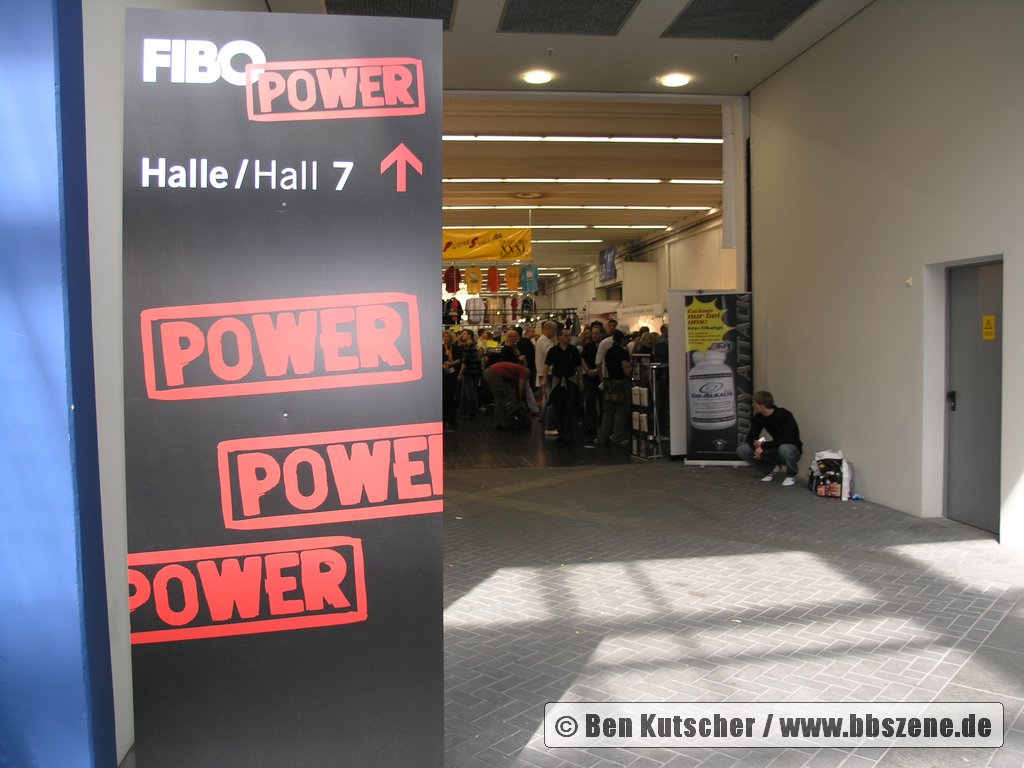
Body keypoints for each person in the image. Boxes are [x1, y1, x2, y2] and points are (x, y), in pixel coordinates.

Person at [737, 391, 803, 486]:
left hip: (791, 450)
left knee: (784, 448)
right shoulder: (759, 417)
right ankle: (770, 469)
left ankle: (791, 475)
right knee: (742, 450)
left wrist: (763, 446)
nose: (752, 405)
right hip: (774, 448)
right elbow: (751, 436)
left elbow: (786, 439)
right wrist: (756, 445)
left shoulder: (784, 415)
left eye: (754, 403)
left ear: (761, 406)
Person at [544, 327, 583, 444]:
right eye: (566, 336)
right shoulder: (553, 350)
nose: (568, 338)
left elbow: (578, 366)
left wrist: (580, 380)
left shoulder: (573, 350)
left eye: (569, 335)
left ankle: (568, 433)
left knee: (570, 407)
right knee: (559, 407)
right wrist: (544, 378)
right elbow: (547, 365)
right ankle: (561, 432)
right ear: (560, 337)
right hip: (558, 381)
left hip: (570, 380)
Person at [596, 330, 632, 446]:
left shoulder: (609, 351)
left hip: (609, 383)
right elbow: (626, 371)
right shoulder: (622, 353)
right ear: (622, 339)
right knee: (621, 411)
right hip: (620, 384)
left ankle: (602, 437)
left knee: (608, 411)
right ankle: (617, 437)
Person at [482, 361, 530, 429]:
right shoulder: (524, 371)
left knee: (499, 399)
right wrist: (521, 399)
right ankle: (504, 423)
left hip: (489, 372)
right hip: (493, 374)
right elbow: (521, 388)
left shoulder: (515, 370)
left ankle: (499, 422)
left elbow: (512, 388)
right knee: (501, 399)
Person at [534, 320, 559, 436]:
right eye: (554, 330)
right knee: (549, 399)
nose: (555, 332)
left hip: (545, 373)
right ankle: (548, 423)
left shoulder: (545, 340)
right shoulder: (543, 340)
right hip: (546, 374)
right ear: (548, 329)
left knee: (546, 399)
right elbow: (551, 353)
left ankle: (544, 420)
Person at [457, 329, 481, 419]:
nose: (462, 335)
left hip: (468, 372)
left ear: (469, 335)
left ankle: (471, 412)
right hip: (474, 371)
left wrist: (460, 373)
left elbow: (465, 362)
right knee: (471, 392)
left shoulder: (468, 346)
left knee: (469, 393)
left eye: (464, 334)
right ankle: (468, 411)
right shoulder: (473, 346)